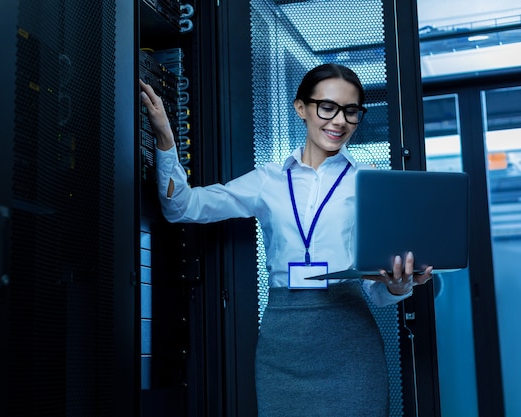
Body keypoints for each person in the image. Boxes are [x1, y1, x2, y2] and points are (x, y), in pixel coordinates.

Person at [139, 63, 434, 417]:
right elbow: (181, 207)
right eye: (328, 107)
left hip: (350, 342)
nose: (339, 121)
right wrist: (165, 140)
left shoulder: (368, 185)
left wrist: (399, 287)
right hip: (283, 341)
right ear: (301, 108)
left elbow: (377, 293)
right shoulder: (267, 180)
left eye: (351, 112)